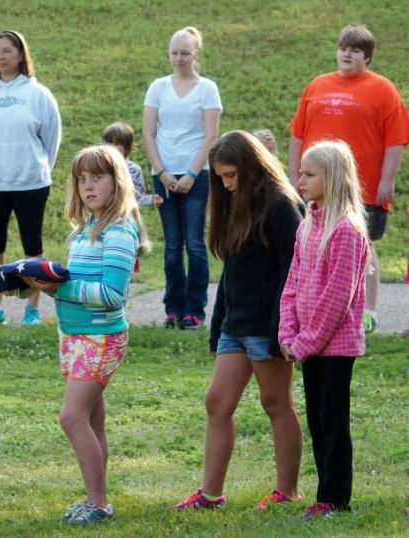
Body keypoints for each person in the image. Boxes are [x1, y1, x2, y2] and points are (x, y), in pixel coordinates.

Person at [169, 131, 304, 511]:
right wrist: (218, 328)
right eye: (221, 177)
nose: (226, 185)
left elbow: (292, 270)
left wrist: (282, 329)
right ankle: (210, 494)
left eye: (231, 175)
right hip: (235, 327)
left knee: (276, 403)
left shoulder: (280, 206)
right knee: (217, 402)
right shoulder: (233, 205)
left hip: (267, 328)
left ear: (252, 167)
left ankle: (287, 492)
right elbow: (231, 275)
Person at [22, 145, 150, 526]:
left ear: (117, 181)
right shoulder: (83, 229)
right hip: (75, 336)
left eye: (97, 177)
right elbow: (78, 282)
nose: (88, 186)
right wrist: (39, 282)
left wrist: (58, 288)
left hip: (101, 338)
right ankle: (95, 498)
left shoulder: (120, 230)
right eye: (82, 179)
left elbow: (111, 295)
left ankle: (98, 504)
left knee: (71, 417)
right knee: (91, 422)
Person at [288, 23, 409, 334]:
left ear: (366, 57)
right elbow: (298, 134)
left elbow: (396, 139)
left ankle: (367, 310)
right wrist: (294, 176)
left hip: (363, 187)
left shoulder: (383, 90)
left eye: (354, 50)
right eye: (343, 48)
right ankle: (318, 307)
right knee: (314, 243)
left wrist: (387, 179)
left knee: (363, 245)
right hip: (317, 185)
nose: (347, 54)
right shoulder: (317, 85)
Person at [280, 140, 369, 518]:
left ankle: (335, 499)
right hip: (306, 345)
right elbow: (292, 284)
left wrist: (304, 343)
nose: (300, 180)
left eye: (309, 174)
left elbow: (337, 300)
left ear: (332, 178)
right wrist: (287, 333)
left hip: (334, 347)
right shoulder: (306, 227)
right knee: (316, 419)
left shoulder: (346, 231)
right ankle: (324, 497)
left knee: (333, 422)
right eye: (300, 172)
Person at [0, 29, 62, 327]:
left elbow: (51, 138)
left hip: (30, 182)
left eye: (7, 51)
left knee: (31, 247)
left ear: (21, 54)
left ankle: (31, 310)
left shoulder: (38, 94)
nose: (1, 56)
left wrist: (38, 168)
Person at [143, 26, 222, 330]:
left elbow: (211, 135)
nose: (179, 58)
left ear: (196, 54)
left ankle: (195, 310)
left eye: (185, 53)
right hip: (163, 173)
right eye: (174, 52)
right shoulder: (158, 87)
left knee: (194, 243)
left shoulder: (207, 89)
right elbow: (149, 133)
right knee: (173, 246)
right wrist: (161, 171)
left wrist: (191, 173)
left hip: (197, 175)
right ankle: (173, 308)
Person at [101, 122, 163, 208]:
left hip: (125, 217)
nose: (110, 147)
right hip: (103, 216)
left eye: (116, 144)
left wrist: (151, 199)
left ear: (127, 147)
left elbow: (138, 198)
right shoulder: (99, 167)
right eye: (108, 143)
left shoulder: (134, 170)